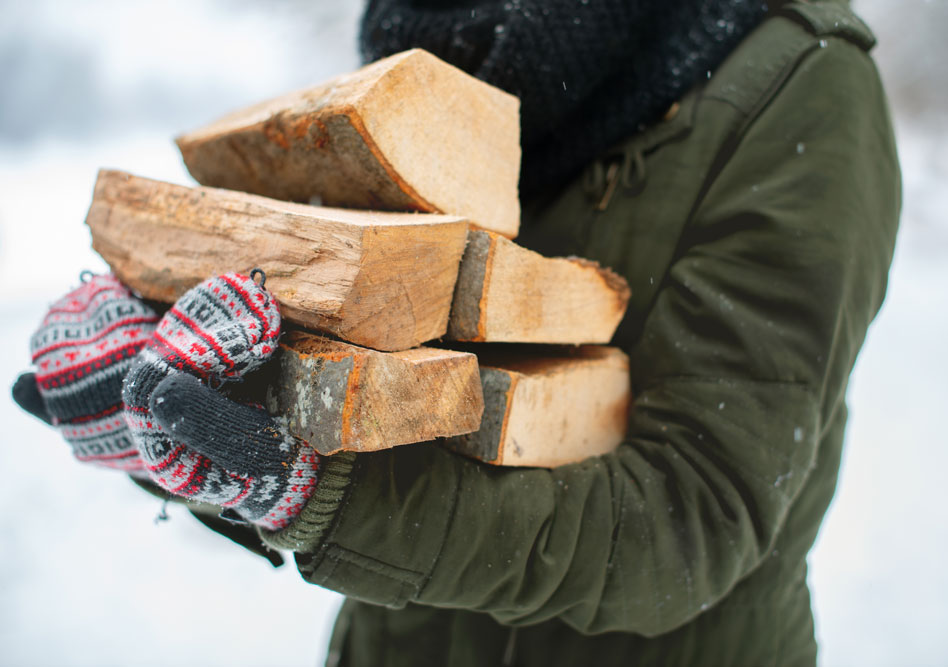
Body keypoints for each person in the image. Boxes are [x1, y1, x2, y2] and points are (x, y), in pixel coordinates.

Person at [13, 0, 901, 664]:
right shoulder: (427, 48)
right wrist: (184, 410)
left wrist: (321, 493)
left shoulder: (799, 81)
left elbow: (695, 511)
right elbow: (335, 375)